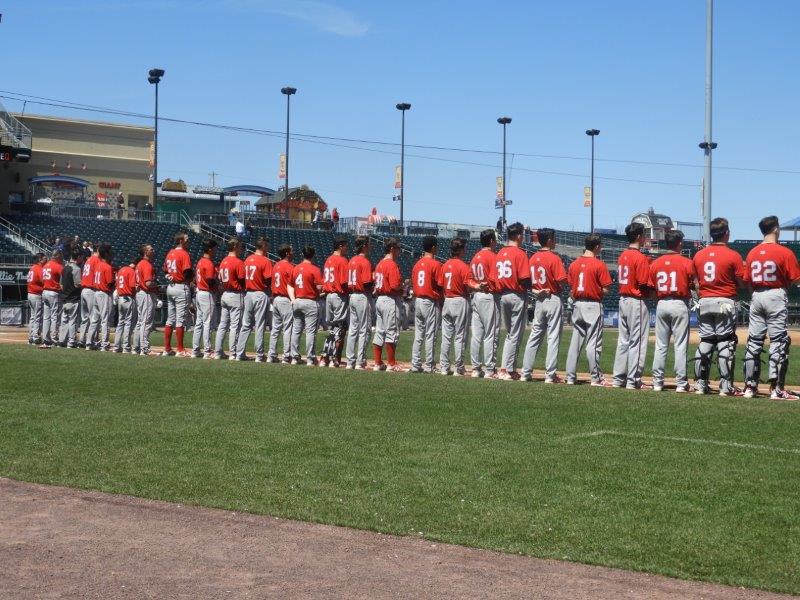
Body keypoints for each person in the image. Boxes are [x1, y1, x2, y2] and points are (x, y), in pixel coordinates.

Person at [742, 215, 800, 399]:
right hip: (775, 294)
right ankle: (776, 389)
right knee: (779, 342)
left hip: (757, 295)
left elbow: (747, 281)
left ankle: (750, 387)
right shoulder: (784, 252)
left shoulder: (752, 253)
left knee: (754, 342)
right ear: (776, 229)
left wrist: (756, 293)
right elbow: (795, 278)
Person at [692, 217, 746, 396]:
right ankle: (725, 386)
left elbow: (696, 282)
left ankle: (700, 384)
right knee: (725, 342)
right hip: (725, 301)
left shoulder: (699, 255)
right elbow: (741, 281)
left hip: (704, 301)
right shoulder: (733, 255)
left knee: (706, 341)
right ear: (727, 233)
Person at [649, 230, 696, 392]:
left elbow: (651, 289)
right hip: (679, 303)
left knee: (661, 345)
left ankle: (657, 382)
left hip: (662, 303)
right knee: (680, 345)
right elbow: (695, 284)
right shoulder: (686, 262)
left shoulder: (655, 263)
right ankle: (681, 384)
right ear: (680, 243)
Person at [521, 227, 568, 383]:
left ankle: (525, 373)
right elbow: (562, 280)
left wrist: (536, 290)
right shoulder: (554, 258)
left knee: (535, 336)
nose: (555, 241)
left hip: (539, 299)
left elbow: (528, 282)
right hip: (553, 298)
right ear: (549, 240)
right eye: (553, 239)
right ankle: (550, 375)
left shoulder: (533, 258)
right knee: (553, 337)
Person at [565, 234, 613, 386]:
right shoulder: (599, 265)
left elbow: (571, 289)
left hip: (577, 304)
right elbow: (606, 289)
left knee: (575, 343)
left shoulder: (574, 264)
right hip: (593, 305)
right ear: (597, 247)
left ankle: (570, 377)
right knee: (593, 343)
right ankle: (596, 378)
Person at [612, 222, 653, 390]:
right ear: (638, 237)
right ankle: (633, 380)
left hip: (623, 300)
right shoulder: (640, 257)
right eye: (644, 235)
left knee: (624, 341)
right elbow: (643, 283)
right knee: (638, 341)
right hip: (637, 300)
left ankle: (618, 379)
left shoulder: (623, 255)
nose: (645, 238)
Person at [438, 238, 483, 376]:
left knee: (446, 336)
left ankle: (444, 367)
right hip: (460, 300)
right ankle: (459, 367)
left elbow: (440, 285)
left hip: (447, 300)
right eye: (463, 248)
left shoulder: (445, 265)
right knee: (460, 337)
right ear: (461, 250)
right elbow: (469, 284)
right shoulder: (463, 266)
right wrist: (477, 287)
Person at [495, 222, 531, 380]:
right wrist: (533, 287)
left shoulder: (500, 252)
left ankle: (507, 368)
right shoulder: (520, 253)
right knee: (514, 335)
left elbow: (493, 278)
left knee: (510, 334)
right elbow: (524, 279)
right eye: (522, 234)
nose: (523, 237)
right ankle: (506, 369)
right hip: (516, 295)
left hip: (503, 295)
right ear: (518, 236)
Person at [409, 236, 442, 373]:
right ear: (433, 247)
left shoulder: (417, 264)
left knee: (419, 334)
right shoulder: (435, 264)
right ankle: (429, 365)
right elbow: (440, 285)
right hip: (430, 301)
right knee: (430, 334)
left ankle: (415, 364)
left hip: (418, 300)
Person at [236, 237, 273, 362]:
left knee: (245, 324)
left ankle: (239, 353)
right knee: (259, 325)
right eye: (267, 246)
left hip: (248, 294)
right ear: (263, 246)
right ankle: (259, 355)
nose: (268, 248)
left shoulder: (248, 259)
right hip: (260, 293)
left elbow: (241, 277)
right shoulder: (265, 260)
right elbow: (268, 280)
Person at [469, 229, 499, 378]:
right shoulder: (493, 256)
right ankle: (490, 369)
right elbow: (495, 279)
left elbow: (469, 279)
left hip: (476, 295)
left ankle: (475, 368)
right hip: (489, 296)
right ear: (491, 241)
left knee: (476, 335)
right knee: (490, 334)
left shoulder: (475, 257)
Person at [372, 238, 404, 372]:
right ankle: (391, 364)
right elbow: (395, 285)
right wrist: (402, 289)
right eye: (397, 249)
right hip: (390, 299)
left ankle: (378, 363)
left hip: (380, 299)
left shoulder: (380, 263)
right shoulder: (391, 264)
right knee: (392, 332)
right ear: (391, 248)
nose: (399, 251)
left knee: (380, 331)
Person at [290, 245, 323, 365]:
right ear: (313, 255)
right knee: (310, 332)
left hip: (298, 301)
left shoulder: (296, 268)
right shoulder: (315, 269)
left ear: (303, 254)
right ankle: (310, 358)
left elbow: (291, 285)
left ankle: (294, 357)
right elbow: (319, 287)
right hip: (310, 301)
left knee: (296, 330)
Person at [320, 237, 350, 367]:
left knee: (332, 329)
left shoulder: (328, 260)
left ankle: (324, 357)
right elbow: (344, 282)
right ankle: (334, 358)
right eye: (345, 246)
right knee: (340, 328)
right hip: (338, 296)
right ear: (341, 246)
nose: (347, 249)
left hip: (329, 296)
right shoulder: (342, 260)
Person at [214, 238, 246, 360]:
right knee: (234, 326)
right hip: (235, 294)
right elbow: (242, 280)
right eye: (240, 247)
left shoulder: (223, 261)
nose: (241, 249)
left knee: (222, 325)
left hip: (225, 294)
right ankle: (233, 353)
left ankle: (218, 352)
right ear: (235, 247)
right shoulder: (238, 262)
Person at [163, 233, 193, 356]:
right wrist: (191, 280)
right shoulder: (184, 253)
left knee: (170, 319)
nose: (188, 241)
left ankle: (167, 348)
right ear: (181, 241)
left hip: (171, 287)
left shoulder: (170, 253)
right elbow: (187, 273)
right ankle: (180, 349)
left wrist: (168, 275)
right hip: (181, 286)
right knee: (180, 320)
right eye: (186, 239)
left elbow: (165, 270)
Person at [345, 236, 373, 370]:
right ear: (364, 246)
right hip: (362, 296)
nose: (370, 246)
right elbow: (367, 283)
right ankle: (359, 361)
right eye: (368, 244)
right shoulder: (364, 261)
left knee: (353, 329)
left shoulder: (351, 260)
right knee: (363, 330)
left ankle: (350, 361)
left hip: (352, 296)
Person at [190, 240, 219, 359]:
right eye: (215, 248)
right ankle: (207, 351)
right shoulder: (208, 263)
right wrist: (218, 286)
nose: (216, 251)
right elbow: (210, 281)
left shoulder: (200, 261)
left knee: (199, 323)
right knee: (207, 323)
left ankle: (195, 350)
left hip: (199, 293)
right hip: (207, 293)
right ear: (210, 249)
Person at [267, 244, 295, 363]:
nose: (293, 252)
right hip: (285, 299)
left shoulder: (276, 266)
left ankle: (271, 355)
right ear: (287, 253)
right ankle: (286, 355)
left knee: (275, 329)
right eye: (291, 251)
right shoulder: (289, 267)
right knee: (287, 328)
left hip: (276, 299)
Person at [86, 243, 114, 351]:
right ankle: (104, 344)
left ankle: (89, 343)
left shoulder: (98, 265)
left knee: (94, 319)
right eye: (110, 251)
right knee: (105, 320)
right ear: (106, 253)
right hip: (104, 294)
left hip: (97, 293)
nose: (112, 253)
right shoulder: (107, 266)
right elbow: (110, 283)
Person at [135, 244, 159, 356]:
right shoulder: (146, 264)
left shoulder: (139, 263)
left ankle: (137, 347)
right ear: (145, 252)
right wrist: (157, 285)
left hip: (141, 293)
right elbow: (148, 284)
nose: (153, 251)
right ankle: (144, 347)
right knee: (146, 321)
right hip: (146, 293)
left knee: (141, 321)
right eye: (151, 249)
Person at [59, 247, 85, 348]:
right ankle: (71, 341)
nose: (82, 259)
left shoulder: (65, 268)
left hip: (64, 298)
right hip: (73, 298)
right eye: (81, 257)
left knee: (64, 321)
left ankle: (62, 340)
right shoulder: (77, 269)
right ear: (78, 257)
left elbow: (61, 285)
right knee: (72, 321)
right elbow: (77, 284)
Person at [40, 250, 65, 348]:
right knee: (54, 316)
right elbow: (62, 282)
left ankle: (46, 338)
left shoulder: (45, 265)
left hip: (45, 291)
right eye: (61, 256)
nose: (62, 258)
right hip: (53, 292)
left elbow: (42, 280)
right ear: (57, 256)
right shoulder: (58, 266)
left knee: (46, 317)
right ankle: (54, 338)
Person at [113, 259, 138, 353]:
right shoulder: (131, 271)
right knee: (128, 323)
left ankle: (116, 347)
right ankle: (126, 347)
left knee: (120, 323)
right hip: (128, 298)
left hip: (120, 298)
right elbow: (132, 286)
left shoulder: (121, 270)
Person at [78, 246, 99, 347]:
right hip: (91, 290)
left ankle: (82, 340)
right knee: (93, 317)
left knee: (85, 318)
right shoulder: (96, 260)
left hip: (83, 290)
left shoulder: (88, 260)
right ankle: (91, 341)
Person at [26, 253, 46, 345]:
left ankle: (31, 336)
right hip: (36, 294)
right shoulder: (39, 268)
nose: (45, 259)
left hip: (30, 294)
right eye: (43, 258)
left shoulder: (32, 267)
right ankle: (35, 337)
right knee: (37, 317)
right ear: (40, 259)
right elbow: (43, 281)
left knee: (33, 316)